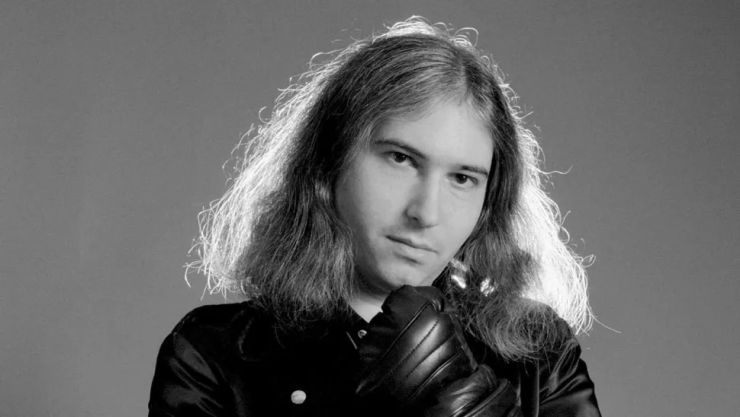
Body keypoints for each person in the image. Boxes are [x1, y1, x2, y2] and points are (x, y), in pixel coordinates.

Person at [148, 17, 601, 417]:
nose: (425, 213)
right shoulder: (215, 354)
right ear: (327, 165)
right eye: (401, 159)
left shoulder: (539, 353)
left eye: (463, 178)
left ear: (489, 202)